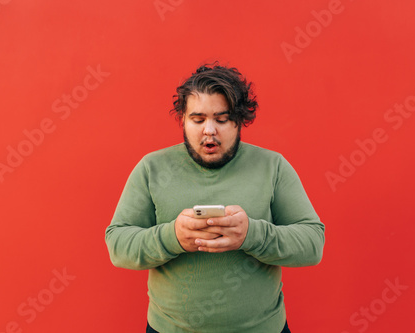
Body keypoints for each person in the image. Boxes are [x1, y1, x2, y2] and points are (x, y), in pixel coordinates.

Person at [105, 63, 325, 333]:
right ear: (182, 120)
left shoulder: (272, 167)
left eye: (222, 119)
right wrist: (172, 237)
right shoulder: (152, 168)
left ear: (240, 120)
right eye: (198, 119)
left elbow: (313, 244)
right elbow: (118, 244)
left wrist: (251, 235)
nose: (209, 130)